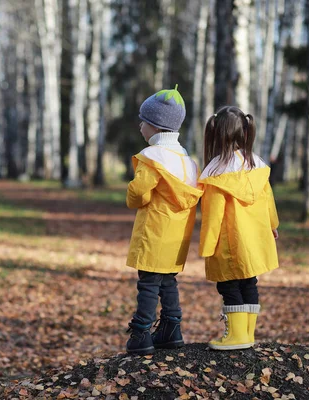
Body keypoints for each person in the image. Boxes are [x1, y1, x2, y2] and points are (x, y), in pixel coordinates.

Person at [125, 85, 203, 355]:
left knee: (148, 283)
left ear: (155, 127)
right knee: (168, 281)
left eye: (143, 122)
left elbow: (139, 192)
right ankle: (171, 328)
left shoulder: (152, 158)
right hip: (176, 236)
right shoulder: (187, 161)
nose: (139, 126)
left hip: (155, 232)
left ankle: (141, 332)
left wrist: (134, 197)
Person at [198, 105, 279, 350]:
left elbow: (213, 214)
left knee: (228, 285)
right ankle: (247, 332)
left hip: (229, 243)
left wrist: (207, 245)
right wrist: (272, 225)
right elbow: (268, 200)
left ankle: (236, 335)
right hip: (253, 240)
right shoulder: (256, 165)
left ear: (216, 135)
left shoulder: (216, 171)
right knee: (249, 282)